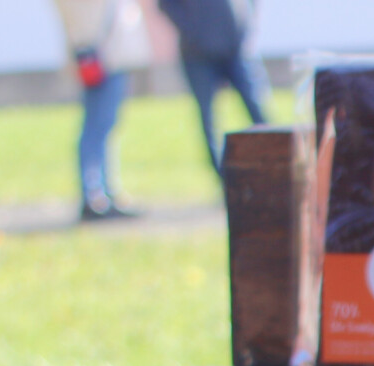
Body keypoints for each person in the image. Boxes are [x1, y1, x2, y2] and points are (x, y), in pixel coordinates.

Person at [51, 0, 152, 221]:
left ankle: (104, 191)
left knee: (105, 125)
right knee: (98, 126)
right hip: (101, 55)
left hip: (105, 54)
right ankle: (94, 194)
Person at [158, 0, 269, 179]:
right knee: (208, 118)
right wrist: (192, 31)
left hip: (235, 46)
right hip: (198, 53)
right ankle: (224, 179)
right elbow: (166, 4)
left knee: (257, 109)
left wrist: (246, 25)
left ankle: (275, 166)